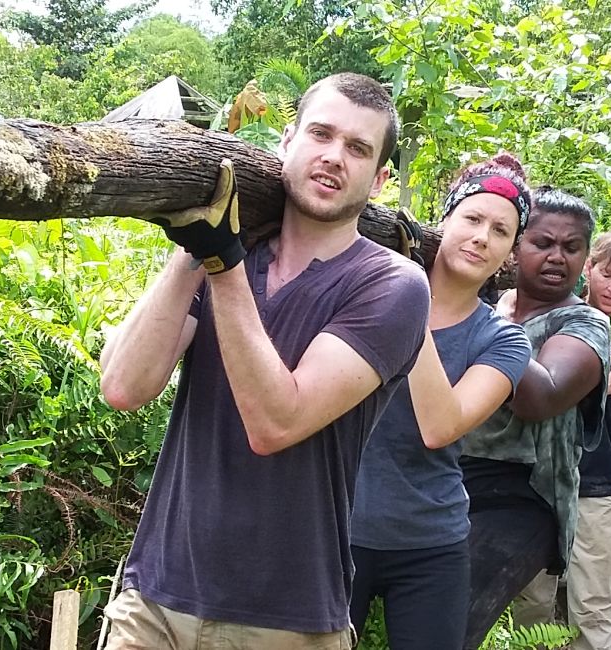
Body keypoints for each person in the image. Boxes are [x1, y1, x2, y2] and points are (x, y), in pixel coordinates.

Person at [95, 73, 430, 649]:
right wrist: (192, 250)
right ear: (286, 141)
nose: (333, 157)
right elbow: (124, 386)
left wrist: (222, 261)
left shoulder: (391, 285)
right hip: (153, 597)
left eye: (357, 149)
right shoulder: (228, 256)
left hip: (284, 619)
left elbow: (275, 423)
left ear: (378, 180)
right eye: (320, 134)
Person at [349, 154, 535, 649]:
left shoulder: (505, 341)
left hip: (430, 542)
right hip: (335, 526)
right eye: (472, 218)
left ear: (510, 252)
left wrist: (413, 301)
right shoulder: (368, 291)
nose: (481, 237)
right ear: (445, 219)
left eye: (500, 230)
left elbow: (439, 425)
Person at [461, 188, 611, 650]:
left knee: (453, 618)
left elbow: (539, 395)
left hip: (524, 497)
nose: (556, 257)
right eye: (542, 243)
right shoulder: (490, 306)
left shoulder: (585, 323)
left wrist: (467, 301)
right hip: (448, 481)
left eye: (571, 248)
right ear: (516, 247)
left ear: (586, 257)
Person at [514, 228, 611, 650]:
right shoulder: (547, 310)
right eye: (606, 273)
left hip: (598, 483)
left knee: (593, 605)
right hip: (537, 477)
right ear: (587, 267)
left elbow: (593, 382)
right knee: (531, 602)